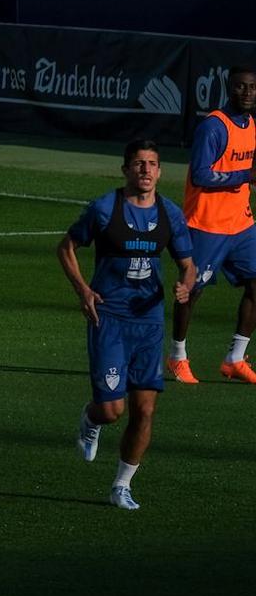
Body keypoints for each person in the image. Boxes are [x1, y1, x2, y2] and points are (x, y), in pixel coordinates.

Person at [58, 140, 197, 511]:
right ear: (125, 170)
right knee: (111, 410)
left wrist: (186, 283)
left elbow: (187, 263)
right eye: (138, 164)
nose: (146, 170)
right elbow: (66, 247)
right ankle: (91, 418)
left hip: (149, 323)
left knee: (146, 410)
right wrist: (83, 290)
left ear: (160, 171)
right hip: (110, 319)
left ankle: (122, 485)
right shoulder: (105, 209)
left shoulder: (169, 214)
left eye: (152, 164)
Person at [167, 66, 256, 386]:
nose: (247, 93)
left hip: (241, 225)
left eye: (252, 88)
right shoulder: (214, 127)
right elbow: (201, 175)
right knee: (191, 293)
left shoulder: (252, 124)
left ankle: (234, 358)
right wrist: (244, 176)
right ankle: (177, 357)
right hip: (207, 225)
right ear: (229, 89)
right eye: (240, 88)